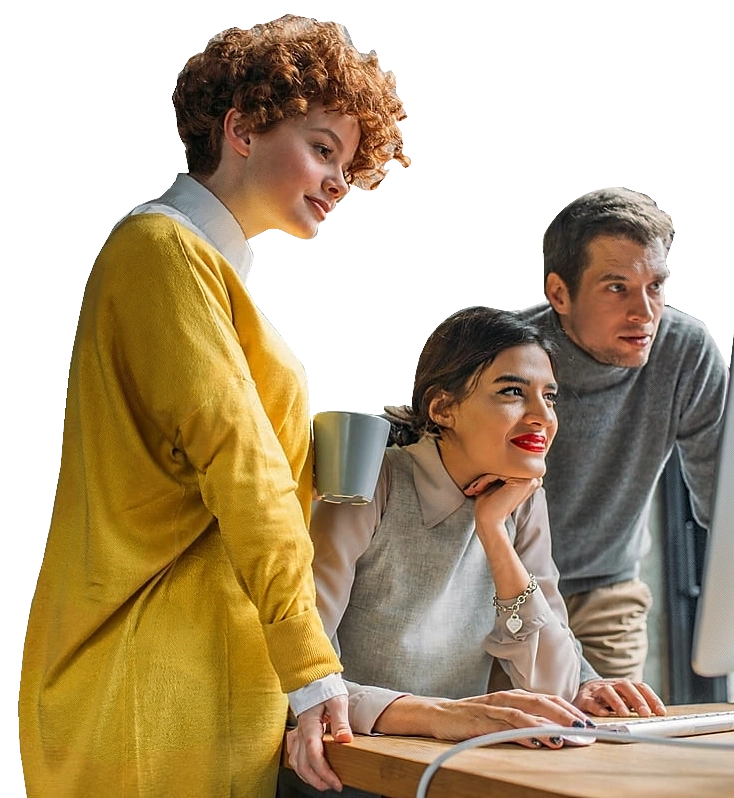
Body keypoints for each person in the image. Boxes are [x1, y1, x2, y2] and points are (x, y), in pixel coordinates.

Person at [20, 15, 410, 796]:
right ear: (241, 128)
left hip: (213, 671)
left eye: (349, 164)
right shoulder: (162, 252)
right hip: (150, 673)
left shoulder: (214, 276)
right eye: (322, 148)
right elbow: (242, 467)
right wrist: (311, 666)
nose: (339, 180)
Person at [280, 306, 664, 797]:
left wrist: (494, 533)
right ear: (442, 409)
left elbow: (554, 686)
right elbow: (305, 676)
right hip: (350, 768)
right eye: (511, 392)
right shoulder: (372, 481)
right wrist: (441, 715)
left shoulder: (521, 497)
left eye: (549, 397)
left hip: (456, 766)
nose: (542, 417)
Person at [516, 187, 734, 710]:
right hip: (500, 587)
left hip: (606, 588)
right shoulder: (512, 356)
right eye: (617, 287)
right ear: (559, 293)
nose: (644, 312)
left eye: (655, 286)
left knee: (610, 751)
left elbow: (727, 512)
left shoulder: (684, 353)